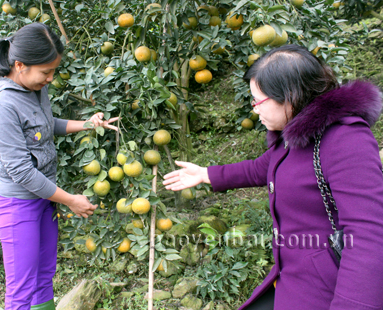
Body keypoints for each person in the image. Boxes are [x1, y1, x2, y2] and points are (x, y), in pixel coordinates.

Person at [163, 44, 383, 310]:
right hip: (291, 278)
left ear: (290, 96)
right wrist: (205, 174)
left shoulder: (346, 140)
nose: (255, 109)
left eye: (258, 101)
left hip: (326, 292)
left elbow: (367, 234)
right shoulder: (293, 139)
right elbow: (261, 168)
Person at [0, 23, 118, 310]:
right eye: (45, 72)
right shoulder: (1, 107)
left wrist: (89, 124)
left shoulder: (34, 89)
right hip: (18, 205)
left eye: (53, 71)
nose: (50, 79)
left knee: (44, 277)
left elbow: (45, 125)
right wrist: (70, 201)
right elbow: (22, 172)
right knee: (22, 290)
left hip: (44, 200)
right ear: (20, 65)